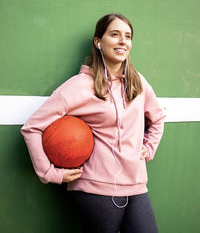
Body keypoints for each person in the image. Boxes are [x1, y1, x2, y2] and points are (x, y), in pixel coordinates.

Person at [21, 13, 165, 233]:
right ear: (98, 42)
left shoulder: (138, 81)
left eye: (127, 36)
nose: (122, 41)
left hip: (137, 186)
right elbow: (32, 128)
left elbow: (158, 117)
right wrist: (50, 173)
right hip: (95, 190)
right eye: (114, 34)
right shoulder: (80, 85)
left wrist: (149, 147)